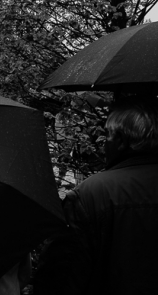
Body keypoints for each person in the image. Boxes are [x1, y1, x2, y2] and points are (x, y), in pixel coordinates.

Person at [34, 96, 158, 295]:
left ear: (122, 141)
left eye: (108, 135)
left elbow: (61, 276)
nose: (103, 144)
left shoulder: (90, 194)